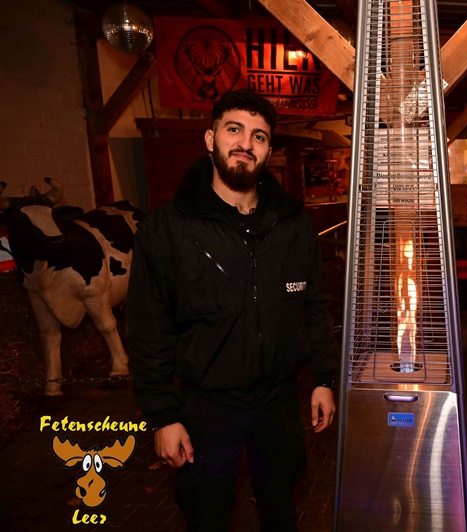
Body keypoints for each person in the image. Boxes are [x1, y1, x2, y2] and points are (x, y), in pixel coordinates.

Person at [127, 89, 338, 531]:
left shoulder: (293, 225)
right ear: (210, 139)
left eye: (258, 136)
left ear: (269, 150)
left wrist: (323, 378)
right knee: (207, 516)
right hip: (207, 408)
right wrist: (163, 416)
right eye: (234, 129)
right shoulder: (168, 229)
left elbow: (314, 305)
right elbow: (149, 328)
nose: (245, 143)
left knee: (281, 510)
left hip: (279, 403)